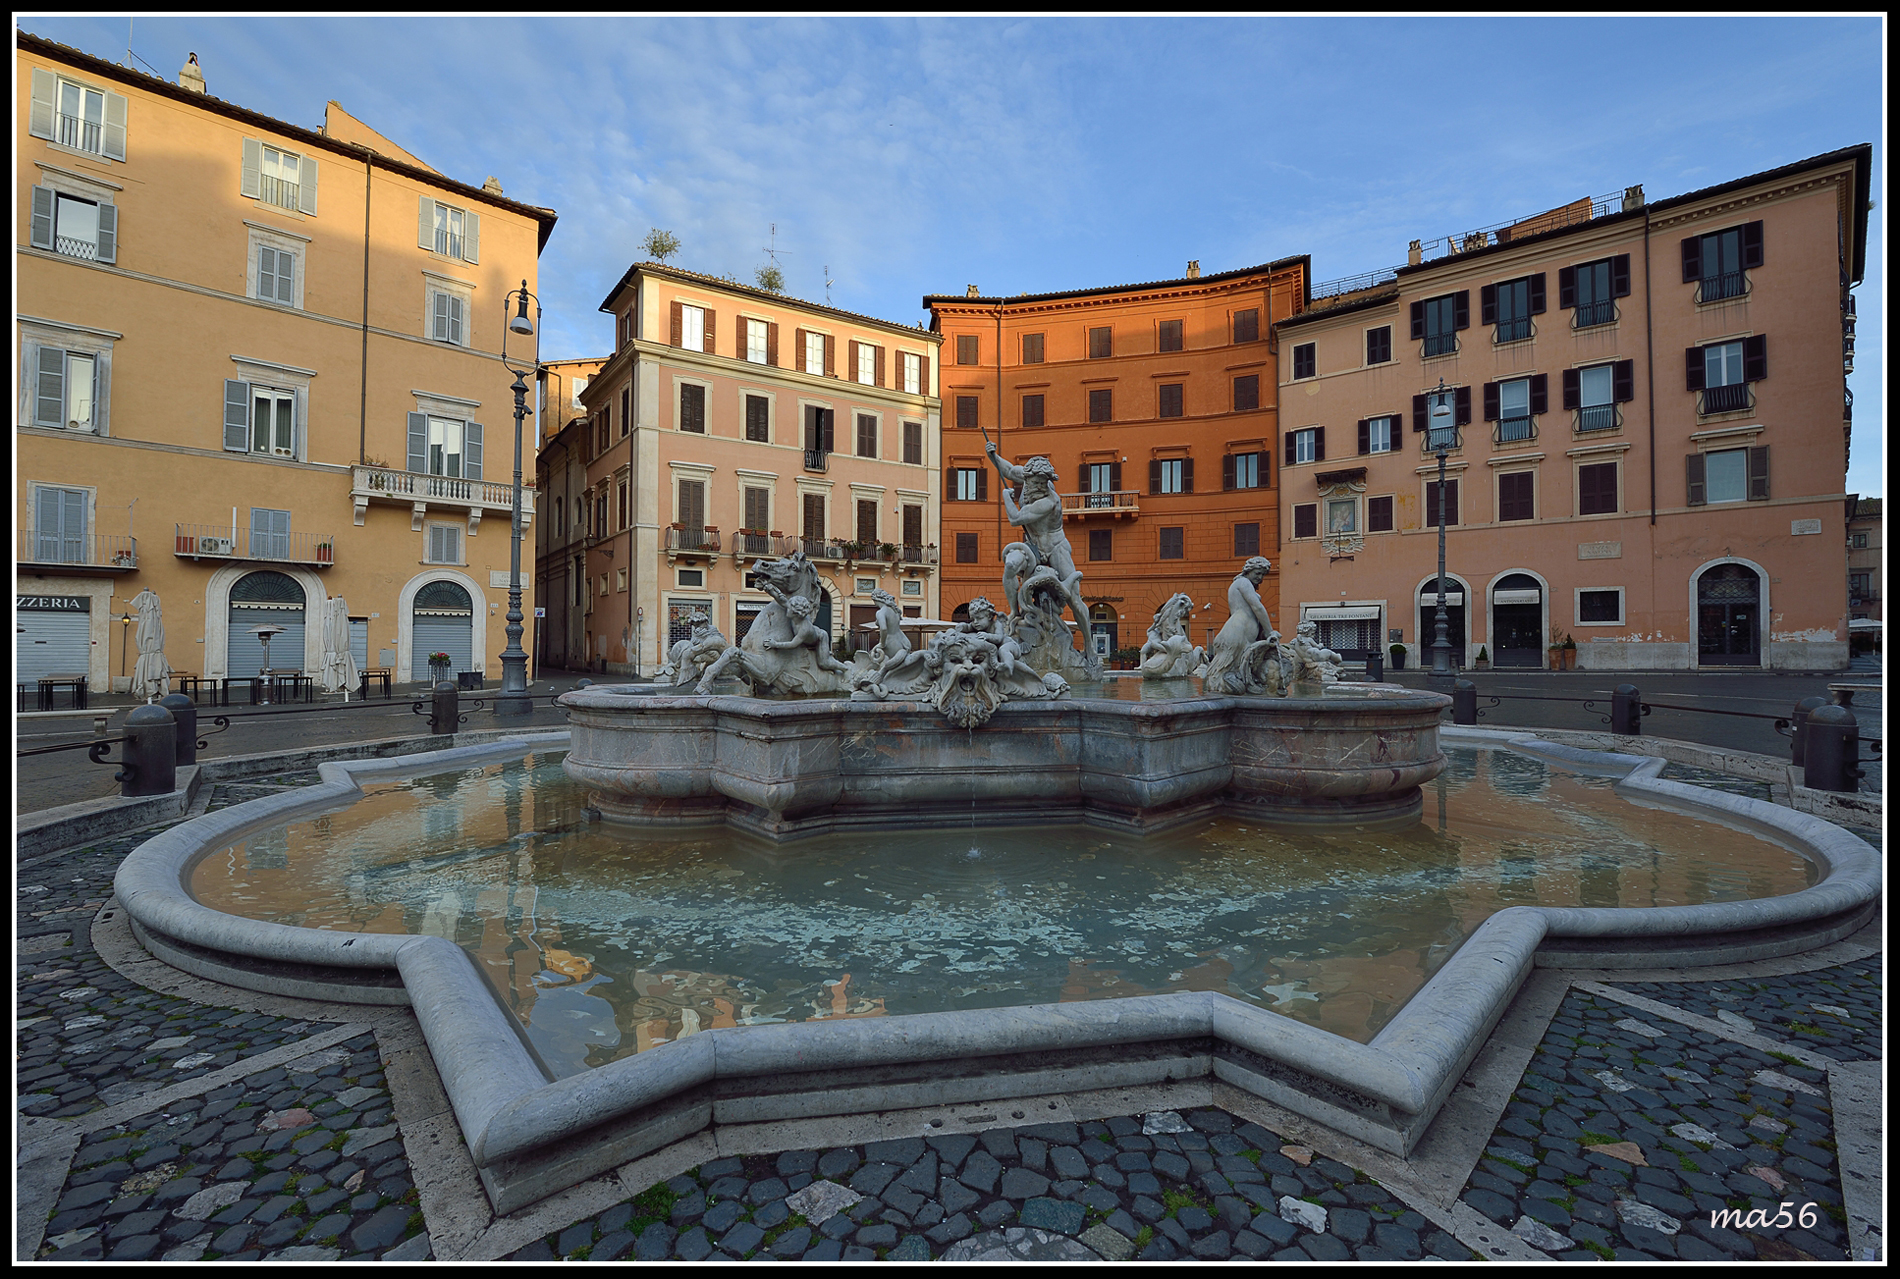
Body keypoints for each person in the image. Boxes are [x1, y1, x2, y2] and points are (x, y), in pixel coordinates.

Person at [985, 445, 1094, 663]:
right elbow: (1006, 470)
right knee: (1010, 565)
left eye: (1041, 483)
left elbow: (1016, 518)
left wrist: (1007, 498)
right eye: (1034, 482)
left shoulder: (1049, 500)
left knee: (1073, 597)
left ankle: (1090, 647)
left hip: (1055, 547)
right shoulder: (1026, 477)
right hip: (1032, 547)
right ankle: (1016, 612)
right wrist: (993, 456)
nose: (1037, 486)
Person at [1202, 557, 1275, 691]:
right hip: (1238, 630)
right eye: (1257, 573)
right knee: (1228, 665)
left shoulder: (1242, 584)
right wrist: (1270, 631)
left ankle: (1240, 684)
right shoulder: (1243, 582)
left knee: (1238, 665)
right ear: (1248, 571)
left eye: (1263, 575)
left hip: (1242, 631)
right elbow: (1257, 607)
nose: (1260, 577)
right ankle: (1225, 686)